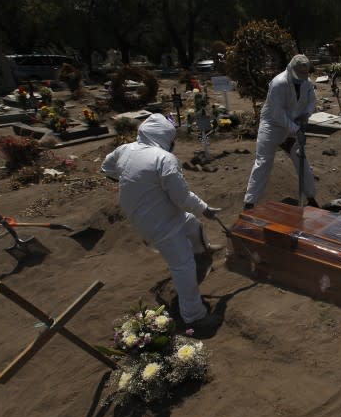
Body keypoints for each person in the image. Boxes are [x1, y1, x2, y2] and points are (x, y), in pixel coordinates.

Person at [101, 113, 222, 329]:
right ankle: (194, 314)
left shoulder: (124, 149)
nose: (173, 144)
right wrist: (206, 209)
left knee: (193, 225)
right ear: (165, 137)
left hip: (149, 214)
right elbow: (182, 198)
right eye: (172, 139)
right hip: (160, 224)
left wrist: (135, 183)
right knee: (182, 266)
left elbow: (107, 168)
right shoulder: (164, 159)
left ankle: (203, 251)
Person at [244, 54, 319, 210]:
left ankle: (311, 198)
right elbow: (277, 113)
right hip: (272, 126)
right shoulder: (278, 84)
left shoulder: (306, 83)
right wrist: (295, 129)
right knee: (263, 162)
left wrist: (305, 115)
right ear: (291, 69)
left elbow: (312, 101)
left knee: (301, 160)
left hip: (294, 125)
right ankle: (249, 203)